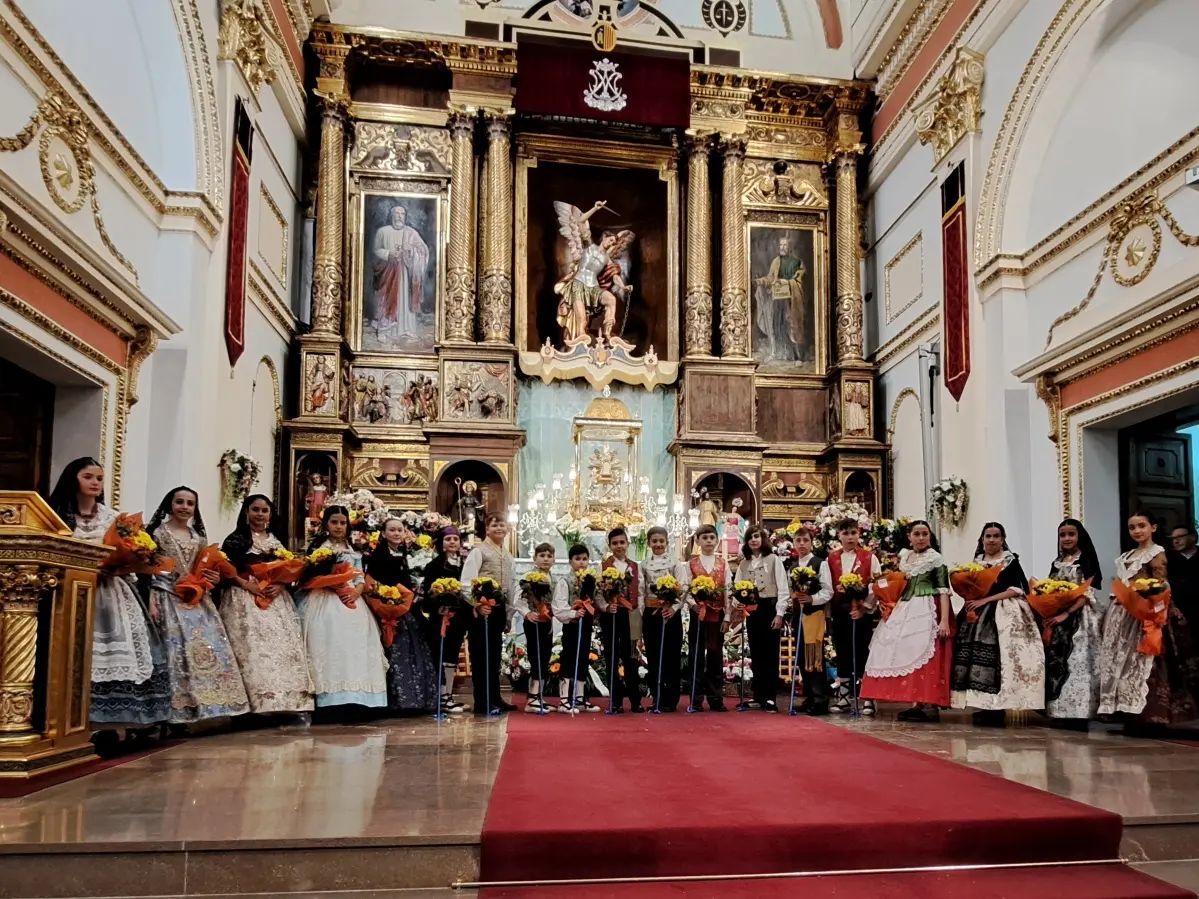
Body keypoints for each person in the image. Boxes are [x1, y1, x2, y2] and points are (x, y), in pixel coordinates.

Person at [48, 458, 169, 742]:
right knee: (75, 653)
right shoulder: (56, 517)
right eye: (88, 476)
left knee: (120, 650)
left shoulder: (113, 518)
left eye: (99, 478)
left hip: (111, 592)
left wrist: (124, 565)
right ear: (72, 479)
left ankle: (117, 723)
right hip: (70, 591)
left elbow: (137, 555)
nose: (94, 483)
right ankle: (68, 720)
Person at [147, 487, 249, 725]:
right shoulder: (157, 534)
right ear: (169, 505)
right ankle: (177, 709)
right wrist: (153, 597)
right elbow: (149, 569)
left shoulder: (199, 538)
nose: (184, 507)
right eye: (179, 502)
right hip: (168, 595)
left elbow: (205, 568)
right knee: (176, 652)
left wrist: (212, 579)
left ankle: (210, 706)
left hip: (197, 599)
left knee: (207, 650)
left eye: (190, 503)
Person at [1098, 511, 1199, 728]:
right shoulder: (1126, 556)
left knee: (1144, 661)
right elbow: (1120, 583)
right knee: (1120, 660)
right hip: (1123, 612)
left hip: (1147, 610)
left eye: (1141, 526)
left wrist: (1148, 603)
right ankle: (1124, 710)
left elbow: (1160, 583)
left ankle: (1149, 713)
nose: (1137, 531)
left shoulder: (1157, 552)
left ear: (1153, 528)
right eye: (1132, 527)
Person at [219, 494, 313, 717]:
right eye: (255, 509)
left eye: (264, 510)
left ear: (270, 514)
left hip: (275, 597)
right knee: (251, 647)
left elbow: (288, 567)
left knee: (281, 647)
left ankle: (285, 701)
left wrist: (281, 584)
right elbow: (225, 568)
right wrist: (246, 584)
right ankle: (254, 705)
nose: (260, 514)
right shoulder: (235, 539)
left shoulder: (276, 539)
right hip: (244, 597)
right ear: (246, 512)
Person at [297, 505, 388, 712]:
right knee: (328, 642)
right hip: (324, 598)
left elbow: (359, 577)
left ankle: (358, 696)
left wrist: (357, 590)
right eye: (334, 522)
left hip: (351, 599)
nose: (339, 527)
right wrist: (329, 583)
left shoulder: (353, 550)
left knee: (356, 645)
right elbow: (309, 577)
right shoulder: (320, 551)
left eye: (342, 523)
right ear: (326, 525)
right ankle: (329, 698)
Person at [951, 522, 1043, 726]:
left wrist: (986, 600)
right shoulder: (976, 562)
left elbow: (1017, 589)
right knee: (974, 658)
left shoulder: (1010, 561)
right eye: (988, 536)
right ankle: (981, 705)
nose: (992, 540)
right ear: (982, 540)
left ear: (1003, 539)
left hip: (1004, 610)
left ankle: (999, 706)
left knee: (1002, 658)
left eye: (996, 536)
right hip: (978, 612)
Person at [860, 521, 953, 722]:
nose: (921, 538)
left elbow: (944, 591)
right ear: (909, 536)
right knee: (894, 648)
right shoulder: (904, 557)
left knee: (922, 650)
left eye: (925, 534)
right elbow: (896, 583)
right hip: (904, 605)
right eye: (916, 534)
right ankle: (913, 701)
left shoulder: (936, 559)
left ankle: (928, 704)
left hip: (928, 606)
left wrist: (944, 620)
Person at [365, 517, 438, 714]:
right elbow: (374, 582)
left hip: (405, 607)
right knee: (396, 651)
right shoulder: (377, 555)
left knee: (415, 648)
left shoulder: (404, 553)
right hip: (387, 607)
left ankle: (416, 700)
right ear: (383, 533)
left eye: (399, 530)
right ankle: (395, 701)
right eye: (392, 530)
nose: (396, 533)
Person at [1043, 518, 1103, 723]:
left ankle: (1079, 712)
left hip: (1081, 616)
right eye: (1062, 535)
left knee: (1078, 662)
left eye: (1071, 534)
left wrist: (1067, 613)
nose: (1066, 538)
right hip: (1059, 616)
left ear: (1080, 536)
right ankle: (1058, 711)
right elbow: (1050, 588)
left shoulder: (1086, 560)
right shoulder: (1057, 562)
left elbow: (1088, 592)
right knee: (1056, 661)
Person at [823, 519, 881, 715]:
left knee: (863, 652)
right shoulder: (831, 559)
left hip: (861, 613)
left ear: (859, 534)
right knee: (843, 652)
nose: (850, 537)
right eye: (845, 533)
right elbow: (827, 586)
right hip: (840, 611)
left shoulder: (869, 557)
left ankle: (868, 698)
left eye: (853, 533)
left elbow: (876, 584)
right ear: (839, 535)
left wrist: (864, 608)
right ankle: (844, 697)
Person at [461, 514, 517, 715]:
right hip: (483, 609)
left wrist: (509, 615)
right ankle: (482, 702)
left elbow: (510, 585)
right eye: (495, 525)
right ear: (487, 528)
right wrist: (477, 605)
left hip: (499, 609)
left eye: (502, 524)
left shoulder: (507, 554)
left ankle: (494, 697)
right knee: (481, 655)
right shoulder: (479, 551)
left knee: (493, 656)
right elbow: (467, 581)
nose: (499, 528)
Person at [734, 525, 789, 712]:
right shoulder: (744, 563)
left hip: (769, 608)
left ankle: (770, 696)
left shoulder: (773, 560)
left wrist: (780, 613)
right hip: (752, 609)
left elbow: (783, 587)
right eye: (750, 538)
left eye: (756, 537)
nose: (753, 540)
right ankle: (758, 695)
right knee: (756, 652)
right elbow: (736, 587)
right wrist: (738, 603)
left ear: (763, 539)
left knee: (770, 653)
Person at [417, 526, 468, 714]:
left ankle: (449, 695)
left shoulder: (464, 564)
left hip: (458, 617)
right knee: (440, 653)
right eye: (448, 539)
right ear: (441, 543)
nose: (452, 542)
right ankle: (441, 695)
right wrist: (439, 602)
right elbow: (429, 593)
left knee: (452, 654)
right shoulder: (434, 566)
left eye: (455, 539)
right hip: (440, 617)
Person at [679, 524, 728, 712]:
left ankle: (716, 699)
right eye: (704, 538)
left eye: (712, 538)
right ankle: (696, 699)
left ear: (716, 541)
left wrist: (728, 616)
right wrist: (693, 604)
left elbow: (728, 589)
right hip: (698, 613)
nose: (708, 541)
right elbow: (686, 587)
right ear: (697, 541)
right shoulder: (691, 564)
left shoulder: (722, 564)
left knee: (715, 656)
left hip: (716, 614)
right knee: (696, 655)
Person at [787, 527, 832, 715]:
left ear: (811, 542)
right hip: (799, 614)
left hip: (814, 614)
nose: (802, 544)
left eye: (805, 540)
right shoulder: (793, 565)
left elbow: (828, 590)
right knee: (801, 656)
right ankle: (810, 696)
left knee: (814, 656)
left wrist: (812, 599)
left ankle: (820, 698)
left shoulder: (819, 563)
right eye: (798, 540)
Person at [598, 527, 643, 712]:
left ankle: (635, 700)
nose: (619, 546)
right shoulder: (603, 566)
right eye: (615, 543)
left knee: (631, 657)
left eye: (622, 542)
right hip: (611, 616)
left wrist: (638, 612)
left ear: (627, 544)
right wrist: (606, 606)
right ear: (609, 545)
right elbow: (598, 593)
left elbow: (640, 591)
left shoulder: (634, 566)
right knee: (612, 657)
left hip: (630, 616)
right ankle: (615, 701)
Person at [371, 203, 429, 343]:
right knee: (387, 300)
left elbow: (423, 250)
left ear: (405, 217)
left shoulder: (411, 232)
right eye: (397, 213)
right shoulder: (382, 232)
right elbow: (375, 250)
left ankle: (407, 330)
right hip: (388, 273)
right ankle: (385, 330)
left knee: (405, 299)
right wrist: (389, 254)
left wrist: (411, 251)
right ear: (391, 216)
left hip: (407, 273)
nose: (399, 216)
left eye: (402, 214)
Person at [553, 543, 599, 714]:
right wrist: (573, 613)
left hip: (585, 623)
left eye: (584, 559)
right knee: (569, 657)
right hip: (572, 624)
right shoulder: (565, 581)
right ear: (570, 561)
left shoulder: (590, 580)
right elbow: (559, 606)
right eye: (577, 559)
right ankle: (564, 699)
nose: (581, 562)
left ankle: (579, 698)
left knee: (582, 657)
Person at [513, 543, 556, 713]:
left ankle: (538, 696)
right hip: (534, 621)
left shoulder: (551, 576)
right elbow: (518, 598)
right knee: (536, 658)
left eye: (549, 556)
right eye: (542, 555)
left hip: (547, 622)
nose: (546, 559)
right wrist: (526, 613)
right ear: (535, 558)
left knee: (544, 658)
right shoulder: (528, 576)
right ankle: (532, 699)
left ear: (554, 559)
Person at [1168, 524, 1198, 625]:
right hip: (1178, 613)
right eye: (1173, 538)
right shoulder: (1168, 559)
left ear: (1193, 537)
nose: (1176, 541)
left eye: (1180, 537)